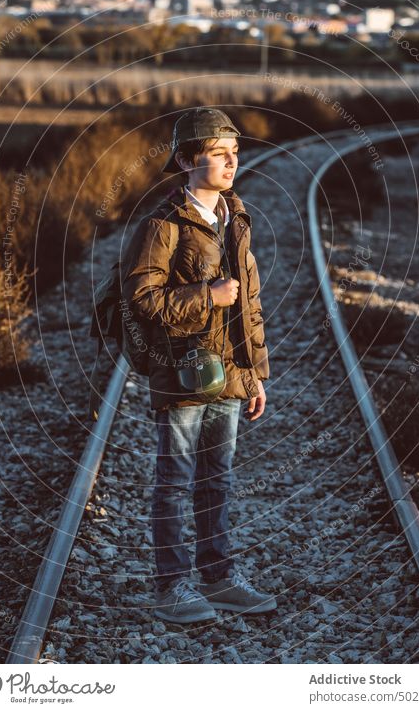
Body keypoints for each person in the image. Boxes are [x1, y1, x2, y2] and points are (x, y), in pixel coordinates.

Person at [124, 107, 276, 624]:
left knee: (219, 479)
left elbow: (250, 303)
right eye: (218, 153)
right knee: (175, 478)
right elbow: (142, 298)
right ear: (189, 159)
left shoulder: (237, 217)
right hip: (183, 372)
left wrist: (256, 374)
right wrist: (206, 295)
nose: (231, 162)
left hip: (230, 373)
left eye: (235, 153)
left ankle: (219, 577)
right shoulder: (163, 224)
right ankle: (171, 586)